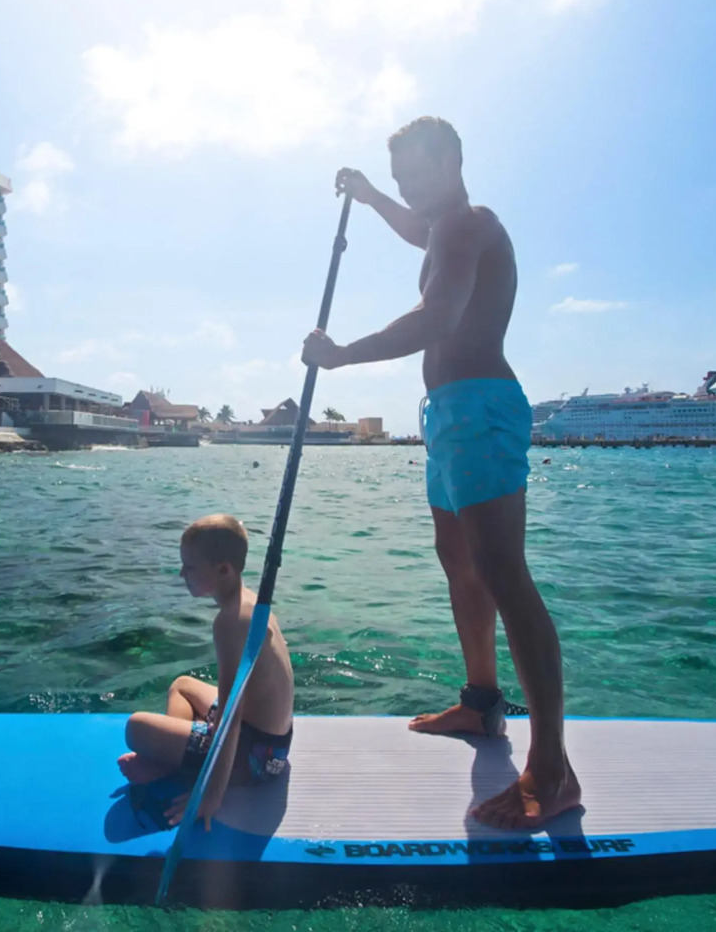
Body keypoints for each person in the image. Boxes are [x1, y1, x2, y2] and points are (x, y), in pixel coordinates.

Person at [301, 116, 579, 830]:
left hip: (480, 407)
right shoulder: (443, 228)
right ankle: (482, 704)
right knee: (458, 562)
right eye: (401, 180)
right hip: (449, 411)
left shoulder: (470, 224)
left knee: (502, 571)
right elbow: (416, 233)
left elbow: (437, 315)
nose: (410, 190)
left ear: (454, 160)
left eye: (418, 174)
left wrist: (340, 356)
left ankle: (552, 770)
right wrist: (367, 197)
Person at [117, 514, 295, 829]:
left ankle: (175, 765)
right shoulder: (250, 602)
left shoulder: (230, 621)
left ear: (223, 569)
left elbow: (230, 717)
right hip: (273, 747)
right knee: (182, 685)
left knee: (136, 728)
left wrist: (211, 794)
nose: (181, 573)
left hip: (254, 761)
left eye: (190, 567)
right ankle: (171, 758)